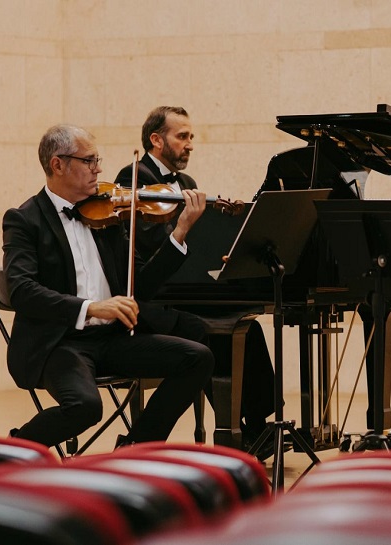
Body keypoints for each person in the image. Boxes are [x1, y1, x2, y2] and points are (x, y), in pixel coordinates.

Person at [3, 124, 214, 449]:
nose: (99, 169)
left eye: (97, 159)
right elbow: (21, 290)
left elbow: (140, 285)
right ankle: (15, 449)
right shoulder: (24, 220)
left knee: (197, 357)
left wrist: (180, 232)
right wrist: (90, 307)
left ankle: (135, 448)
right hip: (59, 343)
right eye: (89, 161)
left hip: (111, 339)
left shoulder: (108, 214)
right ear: (57, 164)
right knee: (86, 407)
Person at [114, 106, 277, 456]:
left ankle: (258, 424)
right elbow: (148, 247)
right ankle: (230, 431)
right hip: (151, 297)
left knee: (246, 322)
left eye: (191, 137)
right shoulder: (132, 180)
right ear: (156, 140)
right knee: (213, 329)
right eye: (182, 136)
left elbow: (194, 245)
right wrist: (182, 225)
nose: (190, 145)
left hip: (181, 289)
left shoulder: (186, 184)